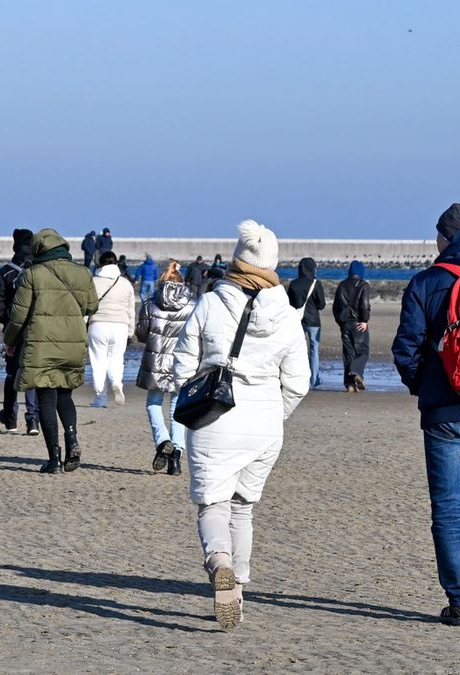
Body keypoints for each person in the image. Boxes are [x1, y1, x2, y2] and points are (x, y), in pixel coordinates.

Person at [172, 219, 309, 630]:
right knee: (243, 508)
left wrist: (189, 398)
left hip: (215, 418)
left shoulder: (211, 303)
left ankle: (219, 564)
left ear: (237, 259)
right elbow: (298, 383)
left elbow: (182, 363)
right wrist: (275, 413)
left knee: (212, 503)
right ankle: (239, 585)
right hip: (265, 423)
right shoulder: (286, 315)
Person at [393, 203, 460, 626]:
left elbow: (406, 348)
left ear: (446, 236)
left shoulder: (426, 281)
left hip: (444, 410)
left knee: (447, 505)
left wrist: (426, 387)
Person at [3, 228, 99, 474]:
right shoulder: (82, 273)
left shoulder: (32, 274)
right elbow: (92, 306)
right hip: (73, 341)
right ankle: (72, 439)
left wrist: (10, 341)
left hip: (42, 342)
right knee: (65, 395)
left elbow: (18, 315)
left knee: (46, 397)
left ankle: (54, 459)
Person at [136, 259, 196, 475]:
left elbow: (141, 334)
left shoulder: (150, 304)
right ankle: (176, 455)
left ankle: (162, 441)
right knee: (176, 409)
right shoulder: (193, 305)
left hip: (156, 360)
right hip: (182, 362)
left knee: (153, 404)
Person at [0, 229, 41, 435]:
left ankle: (11, 419)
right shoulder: (39, 271)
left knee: (12, 374)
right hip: (37, 329)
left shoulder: (6, 272)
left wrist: (8, 321)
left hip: (13, 329)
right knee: (32, 373)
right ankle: (33, 420)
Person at [87, 250, 135, 408]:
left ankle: (100, 397)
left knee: (98, 362)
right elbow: (131, 310)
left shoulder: (93, 281)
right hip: (120, 326)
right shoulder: (125, 283)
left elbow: (87, 307)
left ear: (100, 263)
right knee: (116, 359)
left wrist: (83, 324)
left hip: (98, 325)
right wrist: (130, 331)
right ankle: (116, 383)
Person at [287, 257, 326, 389]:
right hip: (314, 321)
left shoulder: (293, 284)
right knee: (314, 350)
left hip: (297, 321)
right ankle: (314, 379)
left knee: (298, 351)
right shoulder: (316, 283)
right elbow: (321, 305)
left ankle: (299, 377)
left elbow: (289, 304)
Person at [333, 260, 371, 392]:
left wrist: (340, 321)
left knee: (348, 354)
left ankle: (350, 384)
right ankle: (356, 372)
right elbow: (364, 305)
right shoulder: (363, 285)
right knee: (363, 352)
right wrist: (365, 320)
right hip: (358, 324)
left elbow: (335, 307)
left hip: (345, 324)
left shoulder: (342, 285)